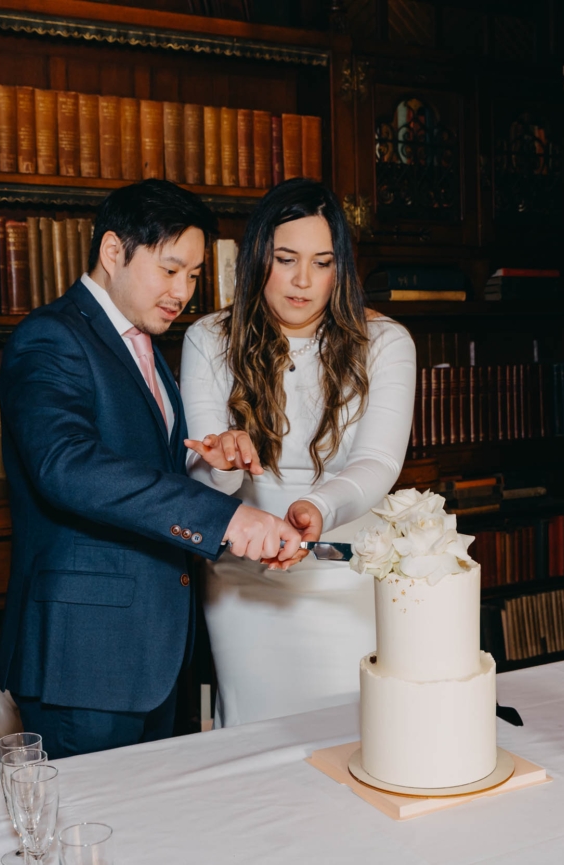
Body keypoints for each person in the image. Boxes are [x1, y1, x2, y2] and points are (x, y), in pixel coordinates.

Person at [0, 180, 302, 758]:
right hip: (84, 659)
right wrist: (227, 518)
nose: (183, 291)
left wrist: (200, 458)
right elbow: (65, 465)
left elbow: (133, 464)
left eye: (193, 275)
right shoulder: (50, 337)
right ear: (114, 252)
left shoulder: (144, 345)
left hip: (152, 652)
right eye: (170, 270)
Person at [180, 178, 416, 727]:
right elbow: (201, 475)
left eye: (322, 261)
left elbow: (379, 462)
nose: (303, 281)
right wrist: (223, 463)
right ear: (258, 257)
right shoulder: (209, 338)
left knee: (356, 731)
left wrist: (316, 511)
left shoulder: (386, 343)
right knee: (254, 732)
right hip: (245, 573)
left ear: (342, 269)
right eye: (285, 259)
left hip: (348, 567)